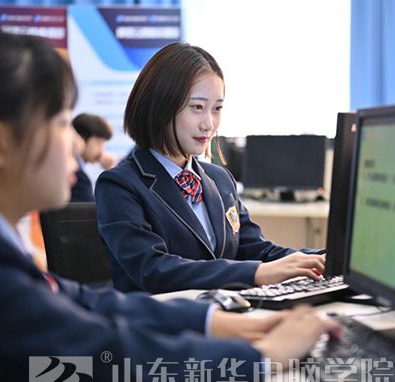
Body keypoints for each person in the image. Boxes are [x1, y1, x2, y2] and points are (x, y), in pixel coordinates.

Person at [0, 30, 341, 382]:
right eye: (60, 122)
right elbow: (102, 352)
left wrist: (225, 324)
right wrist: (262, 359)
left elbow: (85, 303)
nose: (76, 141)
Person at [95, 42, 326, 294]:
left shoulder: (220, 179)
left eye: (217, 109)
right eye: (197, 107)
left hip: (226, 310)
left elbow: (253, 249)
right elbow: (153, 270)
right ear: (160, 106)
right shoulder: (119, 185)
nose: (209, 123)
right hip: (162, 317)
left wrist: (317, 259)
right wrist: (256, 273)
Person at [70, 112, 113, 202]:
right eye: (98, 143)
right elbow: (94, 210)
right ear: (81, 139)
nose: (101, 151)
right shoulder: (78, 177)